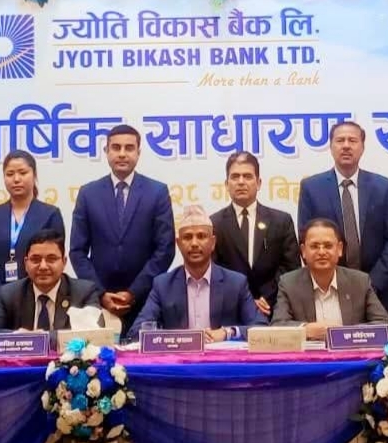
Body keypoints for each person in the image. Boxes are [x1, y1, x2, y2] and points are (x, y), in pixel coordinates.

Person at [70, 124, 175, 330]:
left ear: (138, 153)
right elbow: (77, 251)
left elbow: (165, 249)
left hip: (146, 299)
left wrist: (133, 292)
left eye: (129, 148)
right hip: (99, 301)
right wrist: (100, 293)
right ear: (106, 151)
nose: (122, 154)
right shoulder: (88, 193)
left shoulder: (157, 192)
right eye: (116, 147)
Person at [297, 121, 388, 309]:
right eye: (340, 140)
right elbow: (306, 239)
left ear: (362, 147)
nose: (346, 145)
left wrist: (372, 283)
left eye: (352, 140)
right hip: (329, 290)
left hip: (378, 290)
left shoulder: (382, 186)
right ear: (331, 146)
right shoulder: (311, 187)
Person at [127, 206, 264, 341]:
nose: (194, 243)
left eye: (201, 236)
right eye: (187, 237)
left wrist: (227, 333)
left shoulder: (235, 283)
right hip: (180, 356)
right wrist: (182, 338)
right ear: (179, 244)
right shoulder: (163, 285)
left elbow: (261, 327)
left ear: (213, 243)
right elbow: (136, 332)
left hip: (220, 355)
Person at [0, 229, 100, 349]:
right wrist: (16, 336)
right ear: (26, 263)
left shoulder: (84, 292)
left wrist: (36, 338)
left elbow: (94, 336)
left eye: (51, 259)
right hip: (23, 365)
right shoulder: (9, 294)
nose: (43, 266)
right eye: (35, 260)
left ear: (64, 262)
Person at [0, 150, 65, 318]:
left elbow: (54, 259)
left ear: (34, 175)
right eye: (10, 174)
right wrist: (2, 293)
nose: (16, 179)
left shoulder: (50, 214)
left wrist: (27, 292)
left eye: (23, 173)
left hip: (36, 300)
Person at [211, 152, 300, 316]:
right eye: (235, 177)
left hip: (274, 309)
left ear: (258, 183)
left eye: (247, 176)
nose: (241, 182)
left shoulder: (281, 221)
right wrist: (246, 301)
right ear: (226, 184)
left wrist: (266, 298)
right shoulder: (214, 224)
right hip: (232, 311)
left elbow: (290, 269)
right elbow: (214, 272)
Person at [272, 219, 388, 337]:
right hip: (308, 349)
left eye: (328, 246)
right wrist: (306, 330)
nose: (321, 252)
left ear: (339, 249)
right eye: (314, 246)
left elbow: (384, 324)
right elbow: (277, 326)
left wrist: (346, 333)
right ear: (303, 251)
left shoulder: (360, 281)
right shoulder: (289, 283)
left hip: (349, 349)